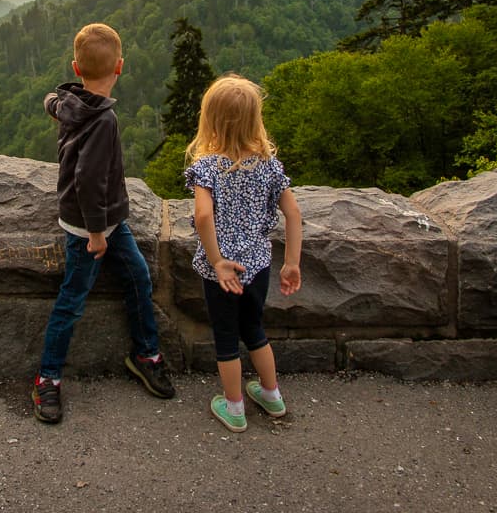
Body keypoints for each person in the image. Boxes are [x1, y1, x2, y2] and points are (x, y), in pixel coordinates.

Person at [32, 22, 176, 424]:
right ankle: (48, 377)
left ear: (75, 69)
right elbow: (88, 180)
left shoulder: (69, 102)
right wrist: (96, 234)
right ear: (121, 67)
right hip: (89, 229)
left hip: (111, 221)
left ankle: (146, 354)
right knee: (72, 301)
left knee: (138, 279)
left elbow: (53, 102)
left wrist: (48, 101)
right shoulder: (103, 121)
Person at [184, 74, 302, 433]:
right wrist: (292, 263)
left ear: (210, 120)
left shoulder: (207, 167)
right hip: (258, 264)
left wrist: (217, 260)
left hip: (222, 269)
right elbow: (294, 214)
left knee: (225, 336)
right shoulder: (268, 165)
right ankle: (272, 394)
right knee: (254, 329)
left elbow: (204, 215)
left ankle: (234, 407)